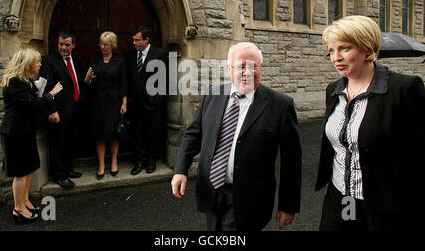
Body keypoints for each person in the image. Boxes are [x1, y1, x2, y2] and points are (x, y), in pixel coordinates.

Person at [171, 42, 302, 231]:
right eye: (241, 66)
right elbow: (193, 135)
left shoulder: (280, 105)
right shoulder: (213, 94)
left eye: (253, 66)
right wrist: (180, 169)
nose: (247, 72)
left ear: (261, 67)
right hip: (212, 191)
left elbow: (292, 160)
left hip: (251, 198)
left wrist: (288, 205)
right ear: (228, 68)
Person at [315, 15, 425, 231]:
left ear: (367, 48)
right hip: (343, 199)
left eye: (345, 48)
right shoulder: (333, 90)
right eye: (331, 51)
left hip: (388, 206)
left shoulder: (404, 89)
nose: (336, 57)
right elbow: (337, 144)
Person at [0, 49, 63, 224]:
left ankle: (25, 200)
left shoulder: (26, 81)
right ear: (28, 63)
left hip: (25, 131)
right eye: (37, 62)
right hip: (15, 133)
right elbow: (32, 105)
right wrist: (51, 94)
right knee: (20, 172)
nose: (40, 65)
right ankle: (18, 208)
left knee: (30, 167)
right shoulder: (14, 82)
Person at [39, 31, 84, 188]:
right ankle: (58, 175)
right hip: (58, 110)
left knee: (70, 140)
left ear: (73, 45)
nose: (63, 48)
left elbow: (76, 83)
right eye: (61, 44)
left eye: (67, 45)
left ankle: (67, 169)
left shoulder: (76, 61)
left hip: (75, 108)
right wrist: (52, 110)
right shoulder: (49, 61)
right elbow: (44, 88)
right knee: (58, 142)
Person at [85, 31, 127, 180]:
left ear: (113, 45)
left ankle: (114, 162)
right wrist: (87, 79)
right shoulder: (94, 60)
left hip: (114, 102)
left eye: (107, 44)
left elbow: (123, 83)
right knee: (100, 135)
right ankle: (101, 165)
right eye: (102, 44)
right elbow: (88, 83)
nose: (103, 47)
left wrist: (124, 102)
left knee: (114, 134)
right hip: (98, 102)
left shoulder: (120, 61)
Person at [126, 27, 168, 175]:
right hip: (135, 103)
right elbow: (129, 77)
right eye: (134, 40)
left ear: (146, 40)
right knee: (137, 133)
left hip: (153, 103)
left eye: (137, 40)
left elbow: (164, 78)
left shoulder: (159, 54)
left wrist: (158, 99)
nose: (134, 43)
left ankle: (151, 161)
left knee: (153, 133)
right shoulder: (131, 54)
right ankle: (140, 161)